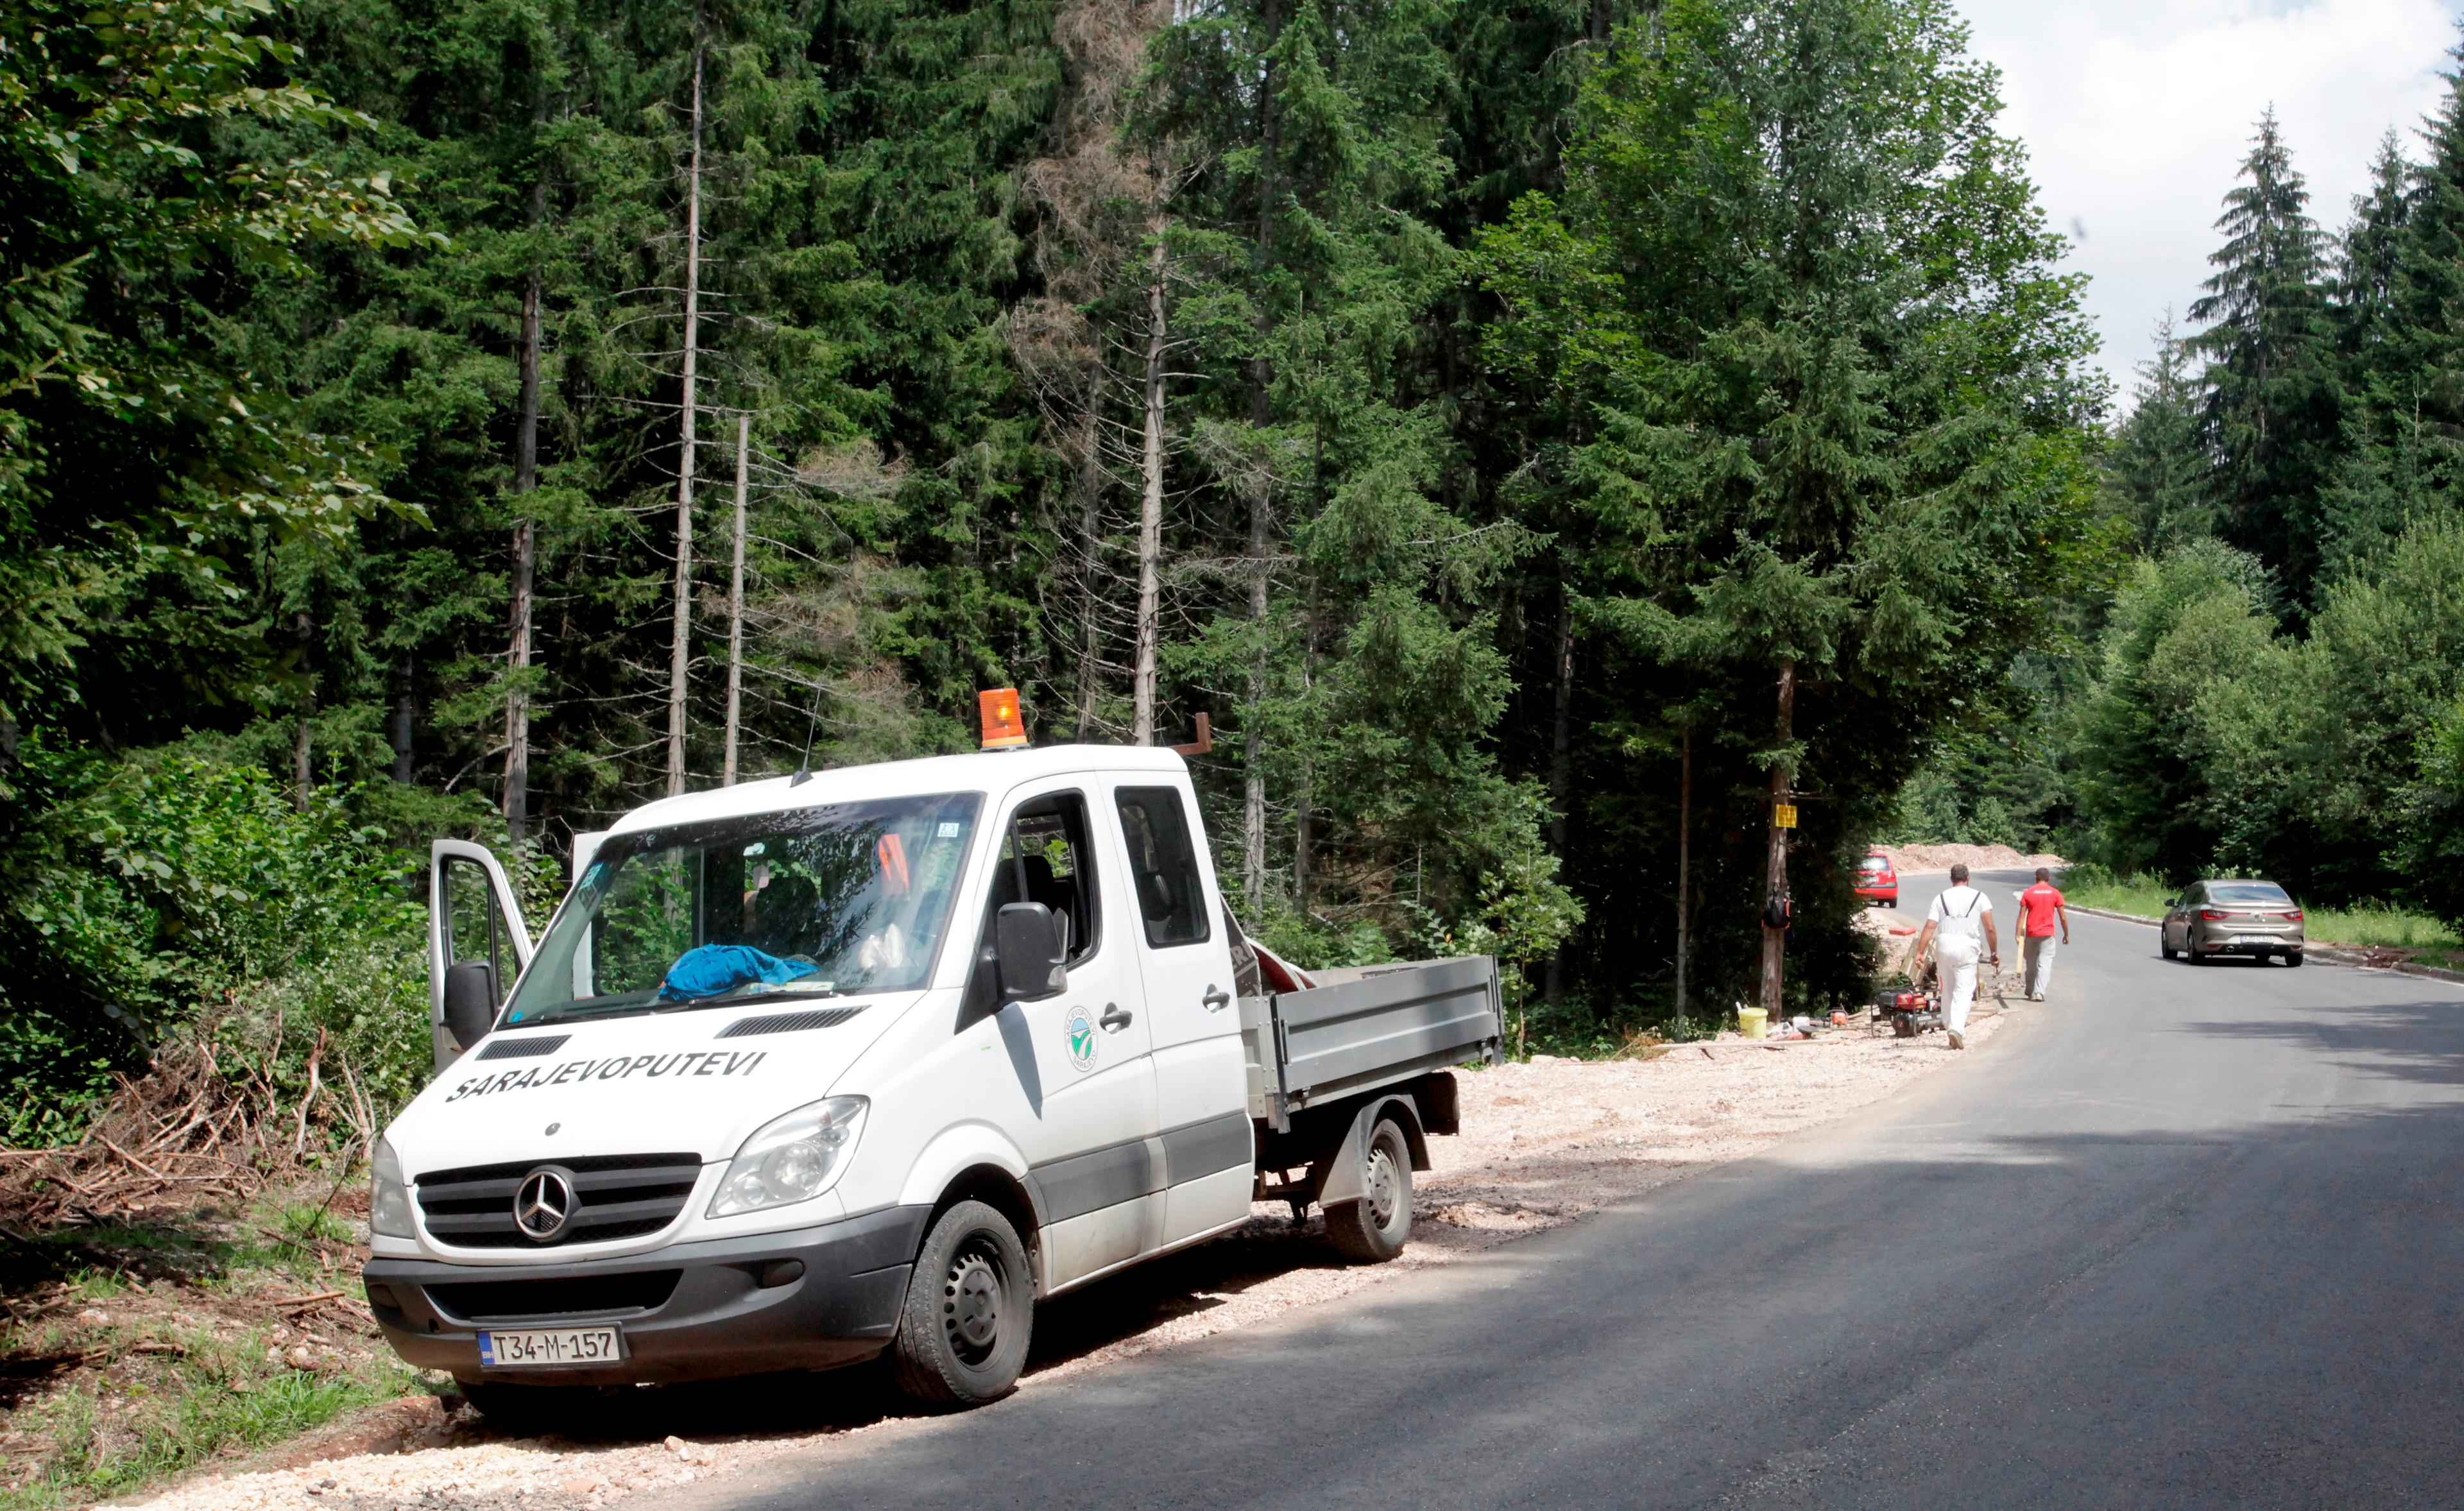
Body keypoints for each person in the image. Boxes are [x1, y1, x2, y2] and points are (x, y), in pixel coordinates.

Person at [1914, 862, 1998, 1050]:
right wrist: (1994, 952)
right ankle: (1957, 1029)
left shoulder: (1940, 898)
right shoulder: (1980, 897)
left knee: (1947, 990)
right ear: (1968, 878)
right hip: (1967, 947)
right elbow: (1990, 928)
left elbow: (1930, 926)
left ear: (1951, 879)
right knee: (1964, 990)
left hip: (1944, 945)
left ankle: (1950, 1026)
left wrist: (1920, 952)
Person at [2014, 866, 2069, 1001]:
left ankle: (2029, 990)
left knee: (2031, 963)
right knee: (2045, 964)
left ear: (2036, 878)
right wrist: (2066, 934)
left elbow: (2022, 916)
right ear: (2049, 879)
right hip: (2048, 935)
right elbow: (2063, 917)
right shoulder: (2055, 893)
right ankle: (2039, 993)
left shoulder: (2028, 893)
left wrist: (2018, 934)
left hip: (2032, 933)